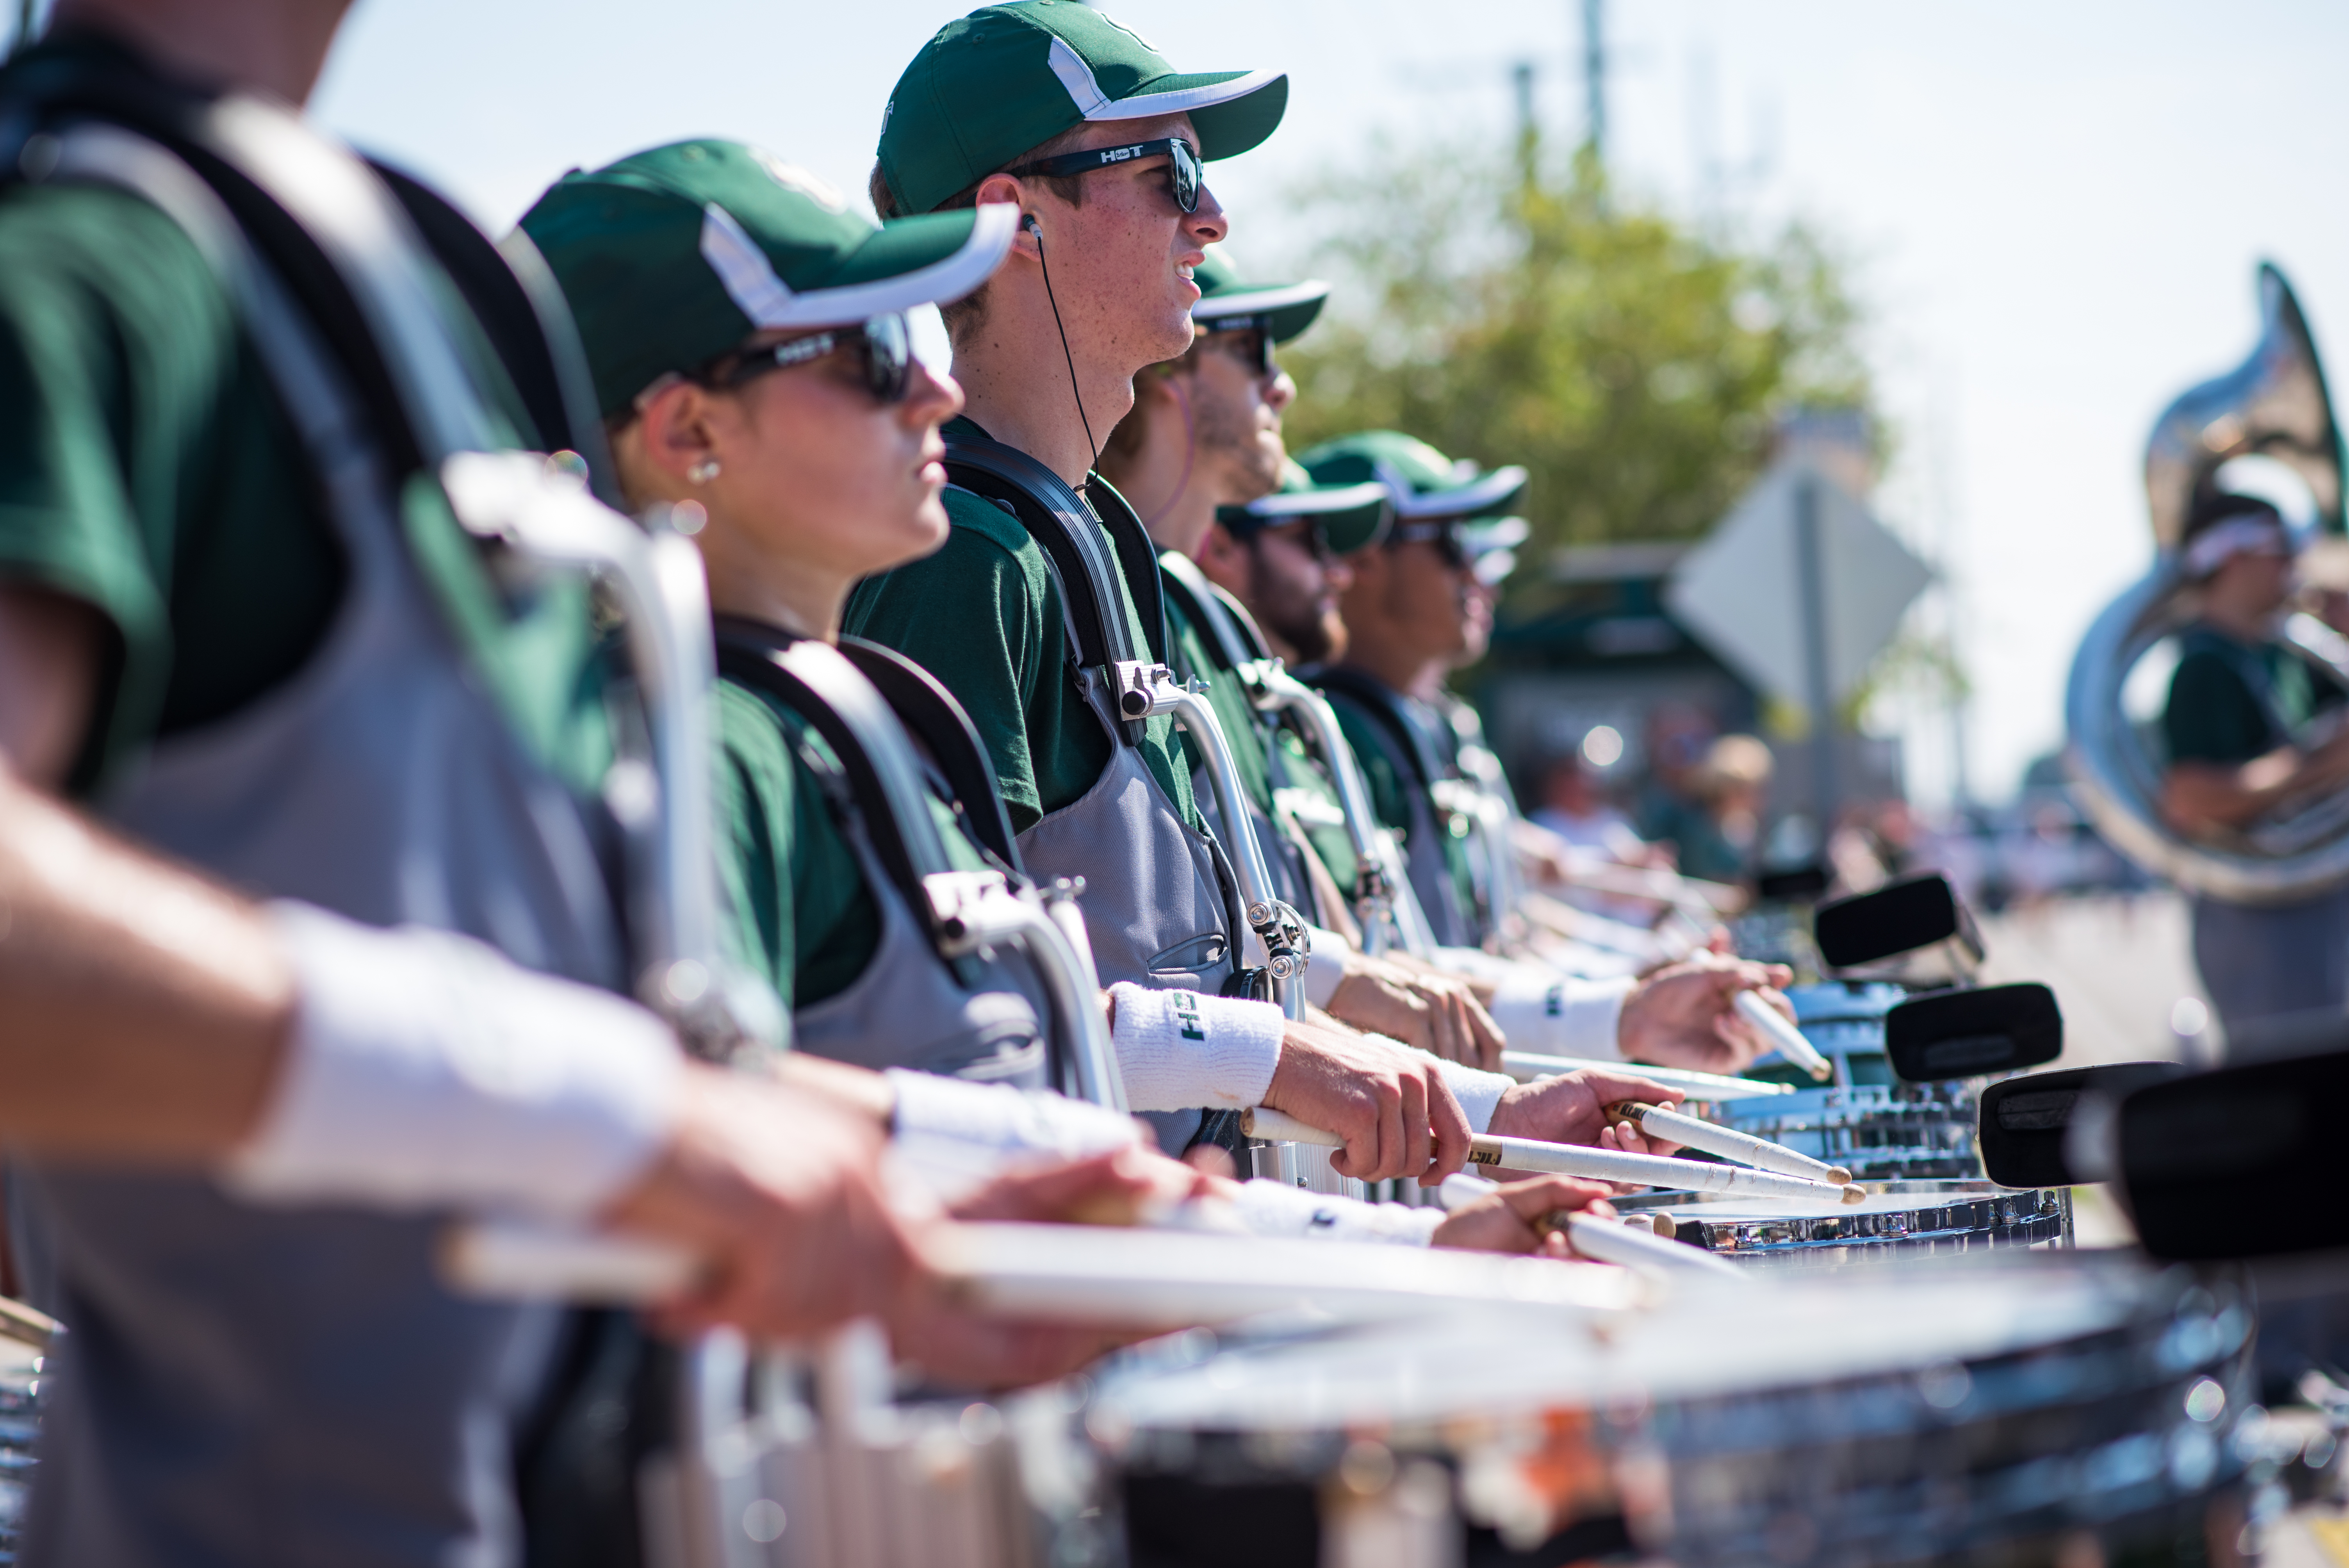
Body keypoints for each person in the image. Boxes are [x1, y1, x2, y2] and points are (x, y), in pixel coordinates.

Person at [519, 137, 1624, 1264]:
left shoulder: (819, 715)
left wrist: (1425, 1222)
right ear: (688, 434)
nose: (934, 386)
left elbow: (1029, 1085)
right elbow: (742, 1126)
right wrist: (1370, 1205)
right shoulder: (707, 748)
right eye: (863, 353)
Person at [847, 2, 1686, 1185]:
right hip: (1088, 1319)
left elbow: (1204, 977)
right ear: (1012, 215)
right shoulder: (967, 565)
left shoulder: (1082, 542)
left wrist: (1504, 1110)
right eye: (1169, 170)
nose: (1213, 214)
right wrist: (1294, 1068)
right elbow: (968, 1019)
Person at [1301, 430, 1793, 1076]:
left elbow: (1499, 937)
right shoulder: (1331, 733)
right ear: (1357, 561)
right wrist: (1616, 1001)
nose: (1478, 576)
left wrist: (1624, 982)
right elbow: (1379, 974)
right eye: (1453, 544)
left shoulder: (1426, 727)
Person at [2159, 492, 2349, 1036]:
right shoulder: (2203, 667)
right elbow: (2192, 798)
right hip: (2264, 923)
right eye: (2280, 550)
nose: (2295, 566)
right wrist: (2323, 765)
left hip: (2313, 911)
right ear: (2234, 558)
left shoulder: (2281, 657)